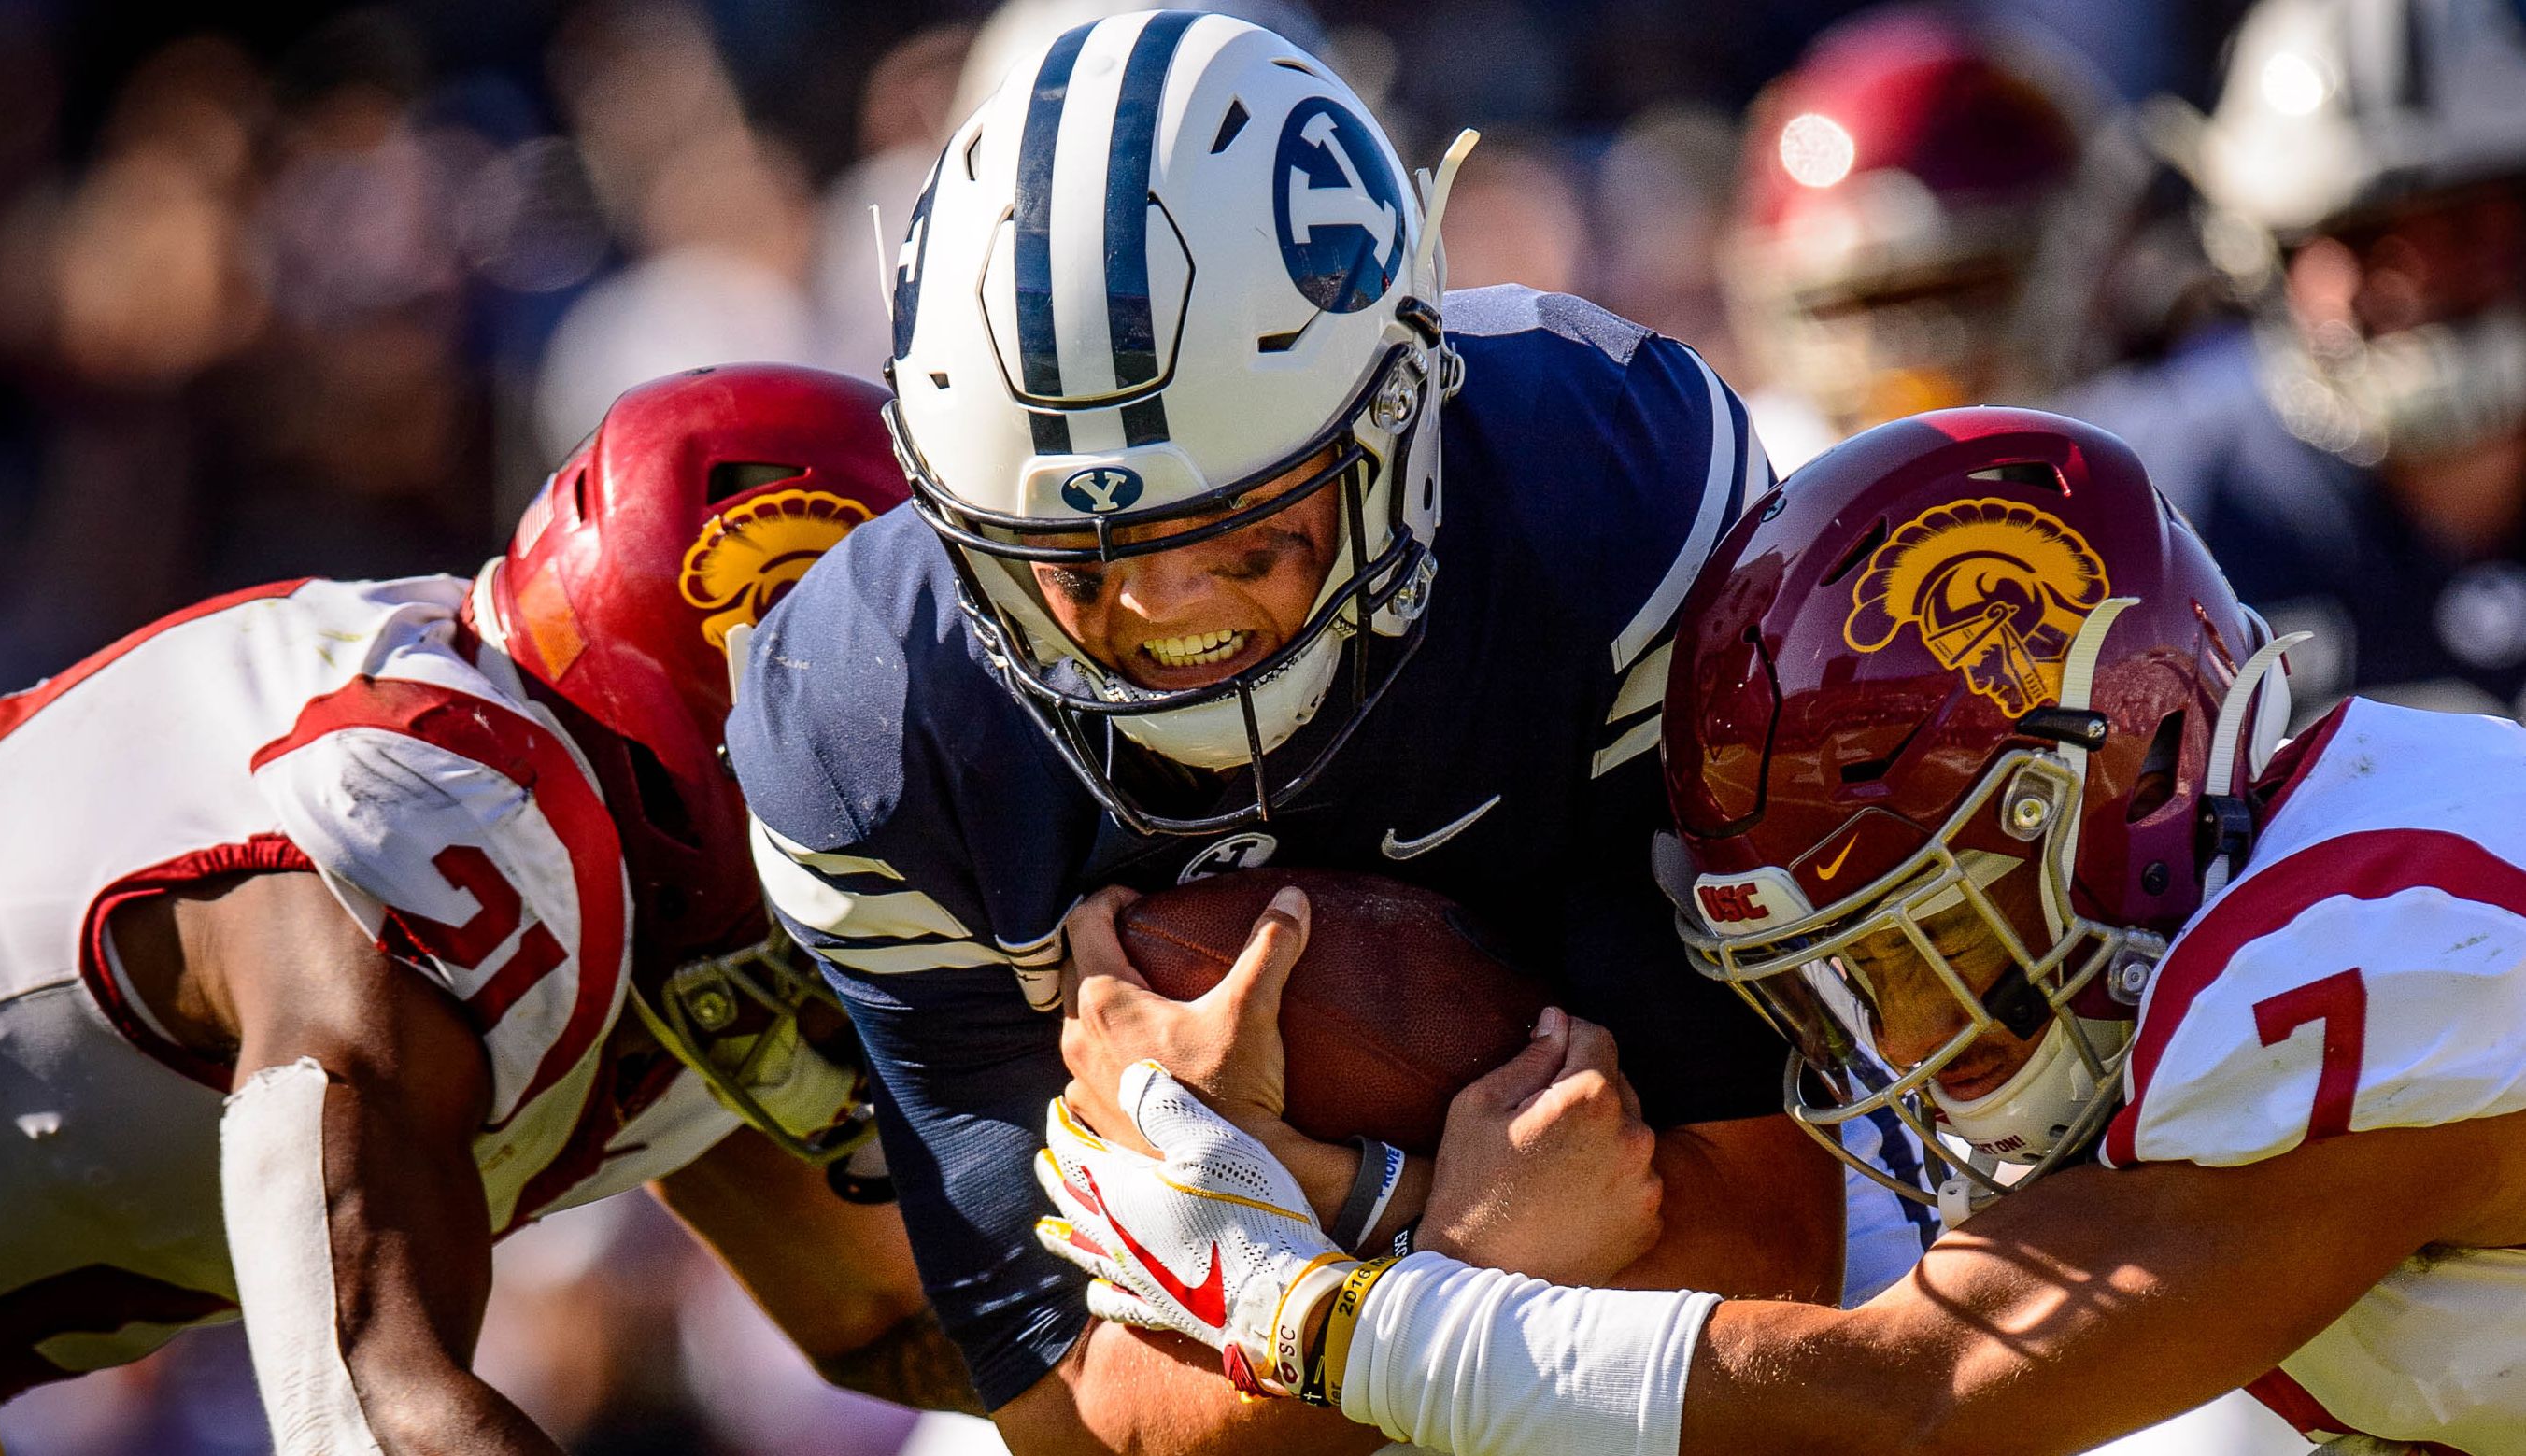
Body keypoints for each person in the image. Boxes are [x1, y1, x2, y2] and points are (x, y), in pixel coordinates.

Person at [726, 10, 1926, 1453]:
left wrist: (1311, 1219)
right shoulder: (873, 718)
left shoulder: (1603, 491)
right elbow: (1079, 1422)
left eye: (1242, 538)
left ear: (1401, 415)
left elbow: (1761, 1246)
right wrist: (1450, 1237)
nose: (1172, 611)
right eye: (1082, 561)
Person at [1037, 406, 2526, 1456]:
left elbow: (1907, 1399)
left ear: (2128, 776)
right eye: (1838, 972)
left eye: (1909, 944)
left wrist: (1308, 1313)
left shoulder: (2376, 956)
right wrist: (1381, 1201)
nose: (1899, 1038)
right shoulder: (2327, 866)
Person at [0, 364, 972, 1456]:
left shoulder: (652, 898)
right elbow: (370, 1413)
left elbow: (886, 1315)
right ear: (731, 694)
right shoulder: (418, 826)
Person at [2075, 0, 2526, 724]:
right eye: (2364, 235)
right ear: (2262, 256)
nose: (2420, 275)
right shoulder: (2145, 498)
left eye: (2466, 222)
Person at [1724, 4, 2226, 472]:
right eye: (1851, 306)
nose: (1909, 364)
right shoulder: (1749, 478)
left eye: (1958, 290)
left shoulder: (2184, 456)